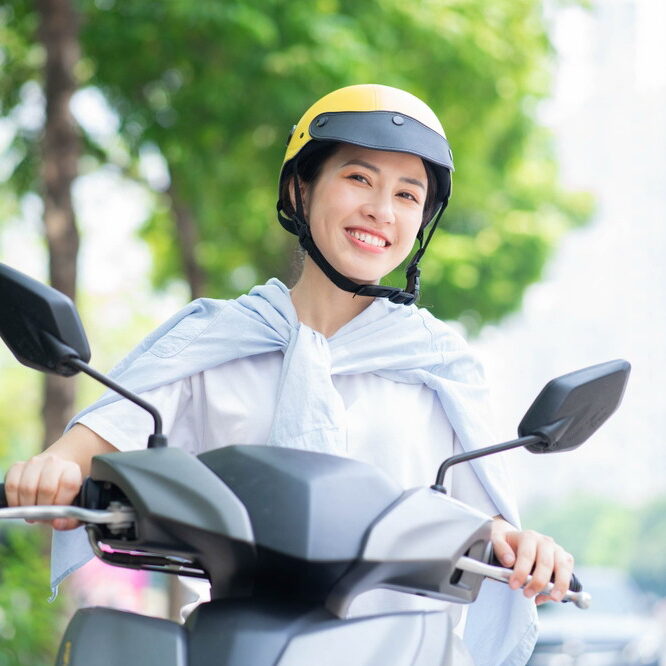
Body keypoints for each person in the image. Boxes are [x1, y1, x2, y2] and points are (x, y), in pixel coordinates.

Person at [4, 84, 574, 665]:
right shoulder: (214, 340)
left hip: (399, 651)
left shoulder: (440, 368)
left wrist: (525, 547)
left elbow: (492, 523)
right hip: (229, 639)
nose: (381, 209)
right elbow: (87, 445)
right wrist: (50, 469)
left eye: (408, 194)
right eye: (359, 178)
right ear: (300, 188)